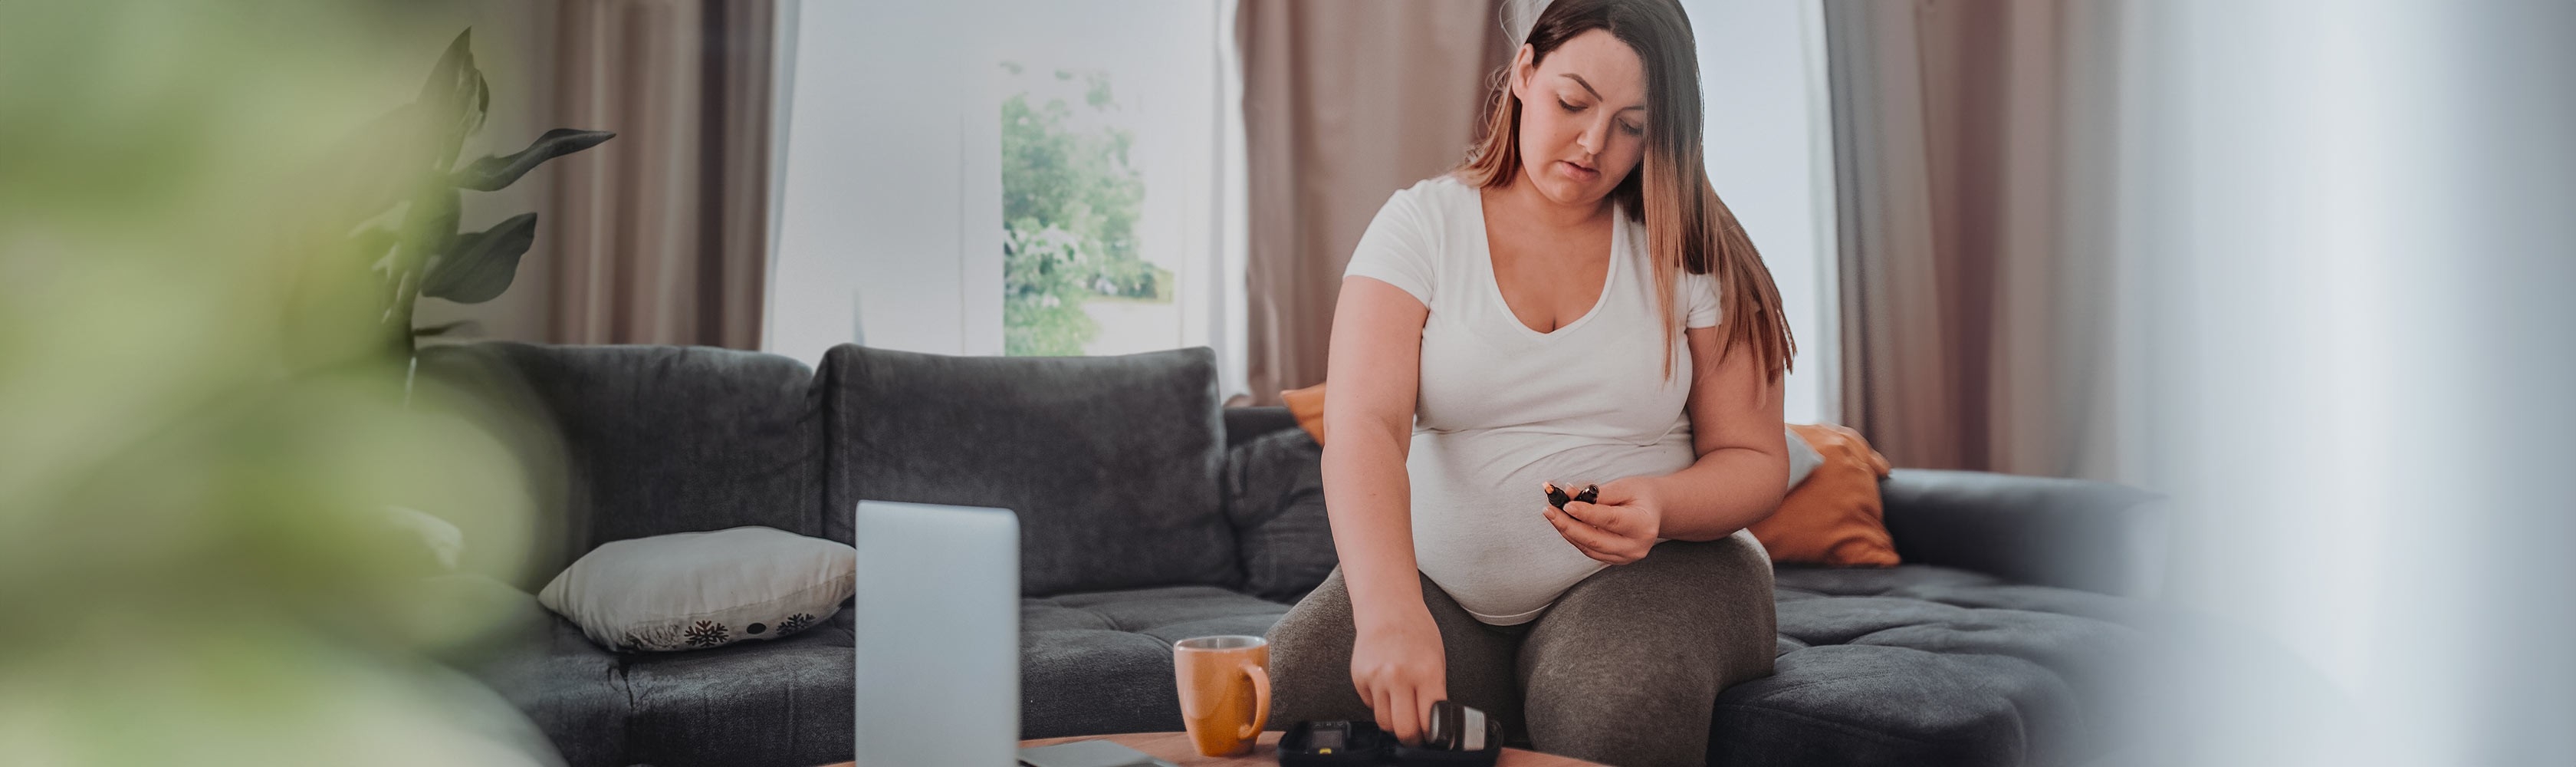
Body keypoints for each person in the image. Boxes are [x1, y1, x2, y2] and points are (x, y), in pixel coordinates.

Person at [1262, 0, 1799, 764]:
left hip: (1668, 570)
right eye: (1573, 102)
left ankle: (1551, 680)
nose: (1593, 143)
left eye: (1632, 125)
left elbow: (1756, 459)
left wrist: (1662, 503)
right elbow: (1364, 430)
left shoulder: (1693, 249)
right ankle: (1511, 678)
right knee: (1295, 684)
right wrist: (1388, 612)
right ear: (1524, 73)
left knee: (1613, 709)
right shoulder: (1421, 227)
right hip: (1448, 593)